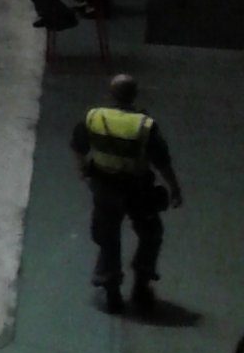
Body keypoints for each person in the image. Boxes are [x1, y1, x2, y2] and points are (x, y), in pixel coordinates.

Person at [74, 71, 182, 311]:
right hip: (138, 189)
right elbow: (162, 161)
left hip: (104, 188)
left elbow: (78, 146)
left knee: (108, 237)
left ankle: (111, 291)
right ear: (135, 95)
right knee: (151, 233)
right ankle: (141, 287)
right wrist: (174, 188)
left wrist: (83, 171)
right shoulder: (144, 125)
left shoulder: (94, 117)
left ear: (110, 94)